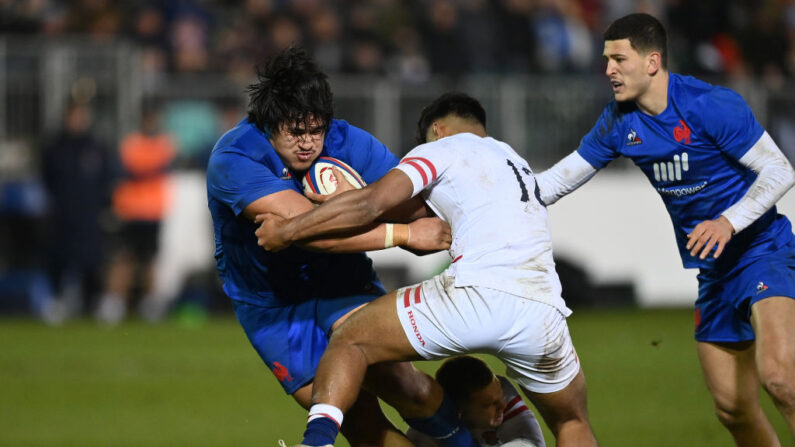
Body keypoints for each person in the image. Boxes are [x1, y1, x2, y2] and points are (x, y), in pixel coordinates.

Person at [256, 92, 599, 447]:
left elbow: (373, 203)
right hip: (543, 312)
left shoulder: (439, 149)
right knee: (572, 421)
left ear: (437, 129)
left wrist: (290, 229)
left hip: (477, 294)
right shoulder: (515, 162)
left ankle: (316, 442)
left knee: (351, 339)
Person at [533, 13, 795, 446]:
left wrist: (728, 221)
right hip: (715, 272)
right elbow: (559, 179)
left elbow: (779, 170)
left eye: (619, 58)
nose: (608, 70)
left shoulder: (708, 104)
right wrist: (494, 196)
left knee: (781, 378)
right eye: (606, 59)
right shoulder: (619, 121)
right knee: (732, 408)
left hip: (763, 249)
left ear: (652, 61)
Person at [206, 47, 477, 446]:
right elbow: (311, 231)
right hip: (270, 306)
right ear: (268, 123)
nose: (308, 144)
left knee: (403, 383)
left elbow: (414, 202)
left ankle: (470, 441)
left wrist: (415, 219)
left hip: (341, 283)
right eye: (295, 133)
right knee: (362, 426)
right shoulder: (234, 158)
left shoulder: (347, 141)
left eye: (316, 131)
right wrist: (401, 235)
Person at [40, 99, 116, 323]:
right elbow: (48, 179)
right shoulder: (55, 147)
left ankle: (94, 302)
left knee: (92, 259)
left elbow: (105, 179)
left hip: (90, 212)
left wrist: (105, 206)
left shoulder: (95, 146)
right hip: (62, 212)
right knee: (60, 257)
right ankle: (56, 301)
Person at [407, 356, 546, 447]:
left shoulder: (503, 393)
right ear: (458, 411)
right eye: (489, 404)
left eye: (501, 397)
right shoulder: (428, 426)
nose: (502, 405)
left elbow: (531, 444)